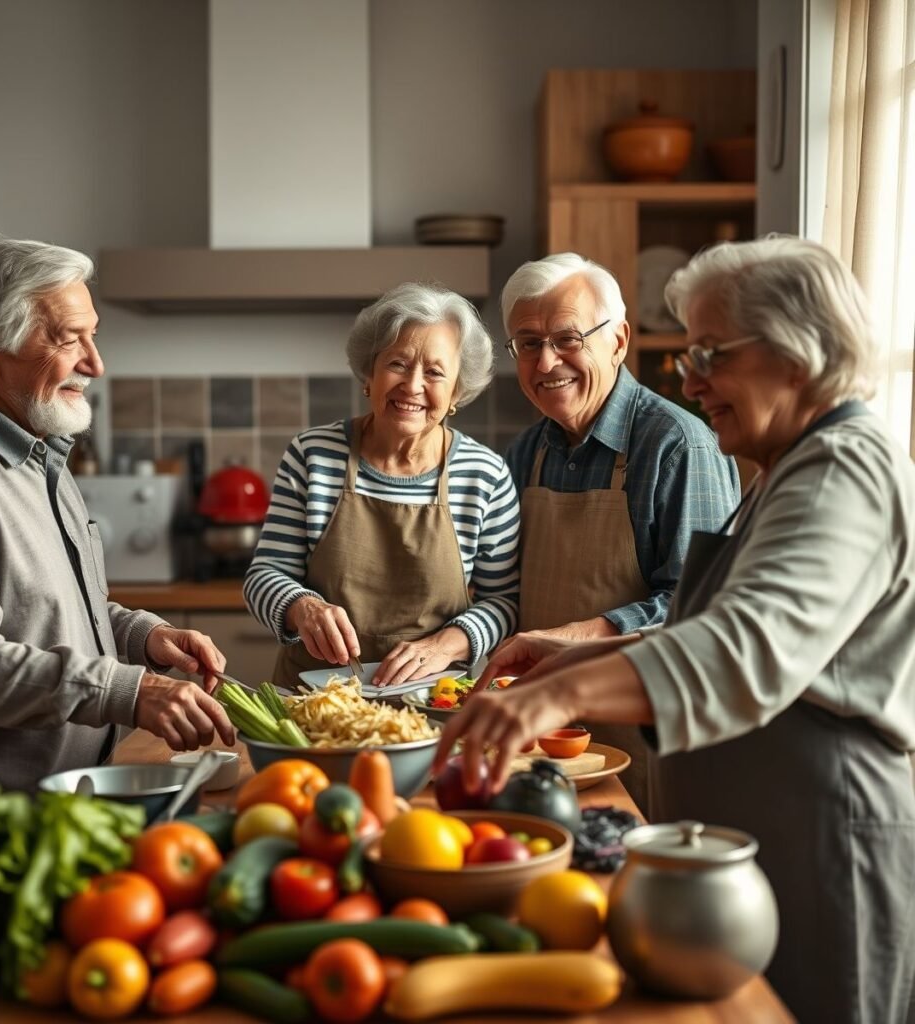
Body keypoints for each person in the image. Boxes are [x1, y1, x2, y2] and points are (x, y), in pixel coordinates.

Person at [438, 236, 915, 1024]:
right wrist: (566, 657)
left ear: (797, 357)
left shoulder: (843, 468)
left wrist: (543, 703)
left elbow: (743, 653)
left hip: (828, 838)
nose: (689, 380)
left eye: (710, 354)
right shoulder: (789, 468)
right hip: (769, 831)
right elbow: (716, 627)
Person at [0, 239, 235, 826]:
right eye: (68, 337)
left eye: (92, 336)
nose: (95, 363)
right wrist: (129, 691)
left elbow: (53, 609)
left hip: (59, 803)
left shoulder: (37, 449)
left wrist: (143, 637)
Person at [500, 252, 740, 811]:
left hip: (641, 737)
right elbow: (504, 590)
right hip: (540, 740)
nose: (546, 361)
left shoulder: (679, 446)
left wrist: (583, 636)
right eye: (528, 344)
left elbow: (698, 608)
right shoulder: (526, 451)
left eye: (567, 337)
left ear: (618, 339)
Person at [245, 282, 520, 689]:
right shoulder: (313, 455)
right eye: (397, 364)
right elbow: (265, 573)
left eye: (435, 372)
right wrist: (302, 608)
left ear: (457, 392)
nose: (412, 385)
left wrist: (446, 645)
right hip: (313, 699)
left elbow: (504, 602)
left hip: (432, 700)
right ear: (368, 373)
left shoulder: (485, 475)